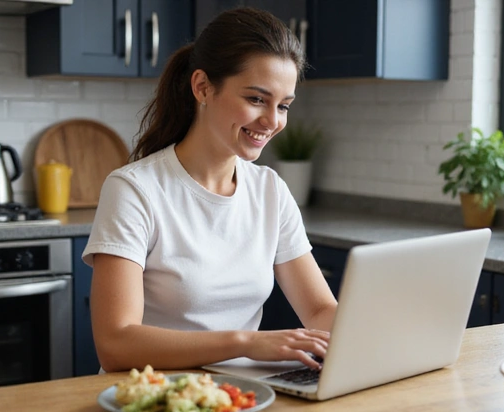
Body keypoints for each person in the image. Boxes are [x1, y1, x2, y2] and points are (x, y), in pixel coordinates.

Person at [82, 7, 337, 373]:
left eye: (283, 105)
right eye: (256, 99)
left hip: (243, 397)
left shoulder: (269, 191)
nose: (272, 121)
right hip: (154, 403)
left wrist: (366, 341)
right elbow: (115, 343)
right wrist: (246, 342)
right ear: (203, 87)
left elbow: (319, 310)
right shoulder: (134, 190)